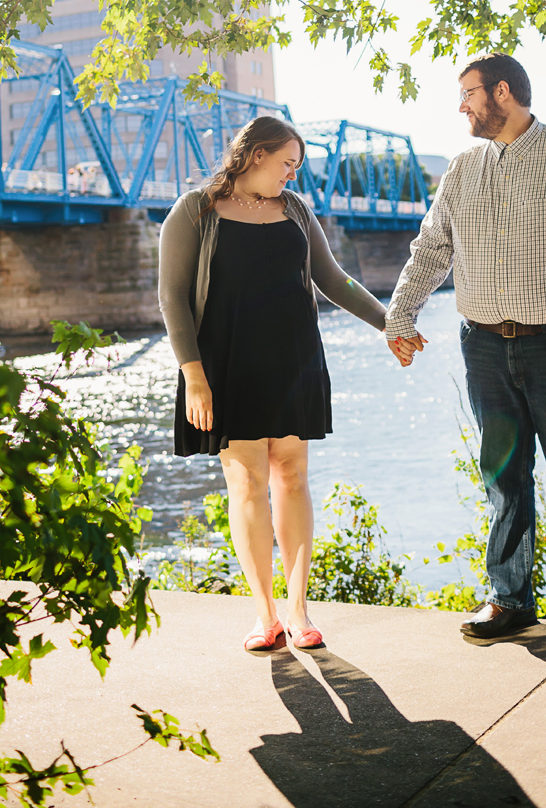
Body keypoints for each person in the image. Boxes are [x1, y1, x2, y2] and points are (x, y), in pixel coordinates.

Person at [385, 54, 546, 652]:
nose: (462, 106)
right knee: (502, 475)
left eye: (469, 93)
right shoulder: (462, 168)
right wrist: (400, 314)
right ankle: (510, 600)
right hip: (484, 348)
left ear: (503, 91)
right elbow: (431, 250)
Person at [159, 115, 388, 653]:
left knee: (292, 475)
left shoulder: (296, 211)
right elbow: (171, 298)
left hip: (294, 360)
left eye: (297, 166)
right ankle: (264, 616)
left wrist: (388, 322)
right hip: (225, 365)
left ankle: (298, 609)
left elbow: (333, 280)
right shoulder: (194, 210)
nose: (293, 173)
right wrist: (193, 375)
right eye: (287, 162)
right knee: (246, 483)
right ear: (256, 154)